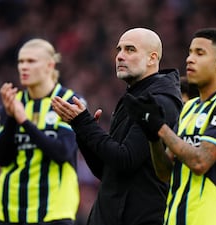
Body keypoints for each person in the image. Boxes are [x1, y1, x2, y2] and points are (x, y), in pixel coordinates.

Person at [51, 27, 183, 225]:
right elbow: (108, 171)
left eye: (130, 50)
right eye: (119, 49)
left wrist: (85, 124)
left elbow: (125, 159)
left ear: (152, 58)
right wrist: (82, 130)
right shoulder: (135, 96)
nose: (120, 56)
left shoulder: (158, 101)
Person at [123, 28, 216, 225]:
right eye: (190, 52)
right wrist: (153, 136)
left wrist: (160, 128)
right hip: (175, 218)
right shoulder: (189, 108)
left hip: (210, 219)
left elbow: (201, 162)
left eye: (200, 53)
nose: (189, 59)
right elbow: (165, 172)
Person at [0, 39, 83, 225]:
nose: (23, 67)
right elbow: (1, 158)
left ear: (50, 65)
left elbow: (62, 153)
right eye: (21, 61)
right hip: (11, 210)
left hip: (54, 212)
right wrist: (11, 118)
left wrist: (24, 121)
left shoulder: (68, 101)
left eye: (31, 61)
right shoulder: (13, 102)